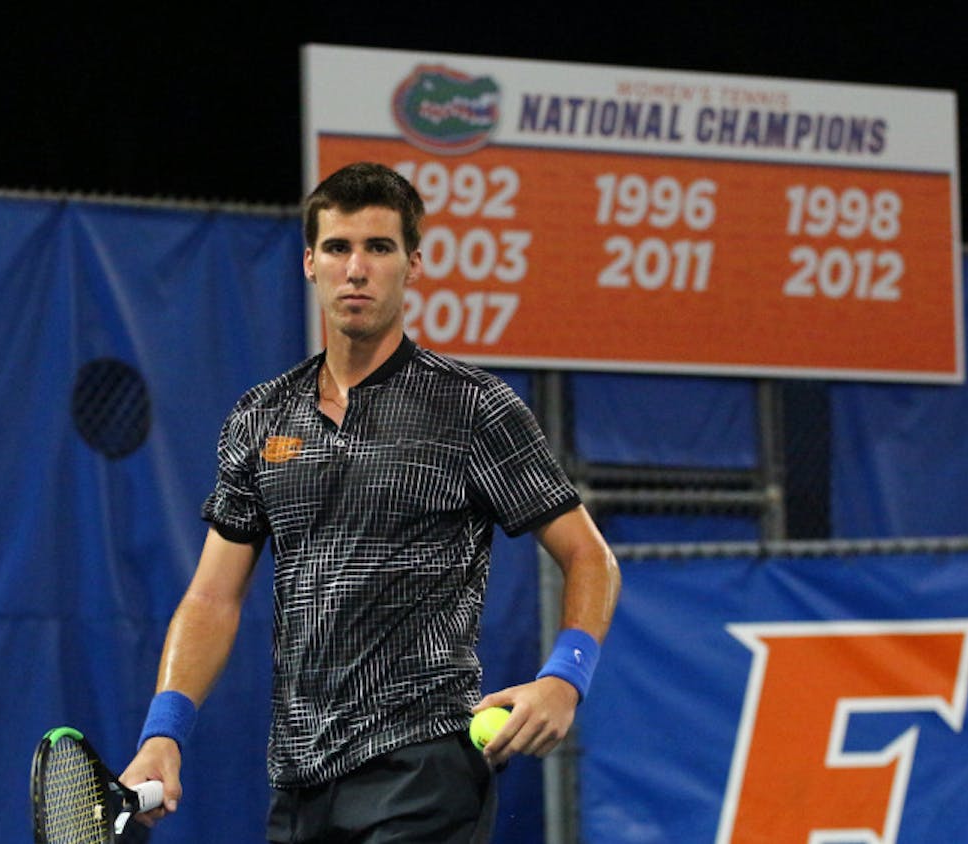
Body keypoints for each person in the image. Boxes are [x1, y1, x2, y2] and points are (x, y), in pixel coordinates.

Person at [121, 161, 620, 843]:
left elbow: (590, 557)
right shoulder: (259, 418)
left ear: (413, 264)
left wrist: (564, 679)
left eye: (379, 249)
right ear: (309, 263)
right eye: (338, 248)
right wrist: (163, 734)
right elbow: (212, 598)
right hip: (299, 783)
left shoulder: (473, 407)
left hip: (425, 767)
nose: (356, 269)